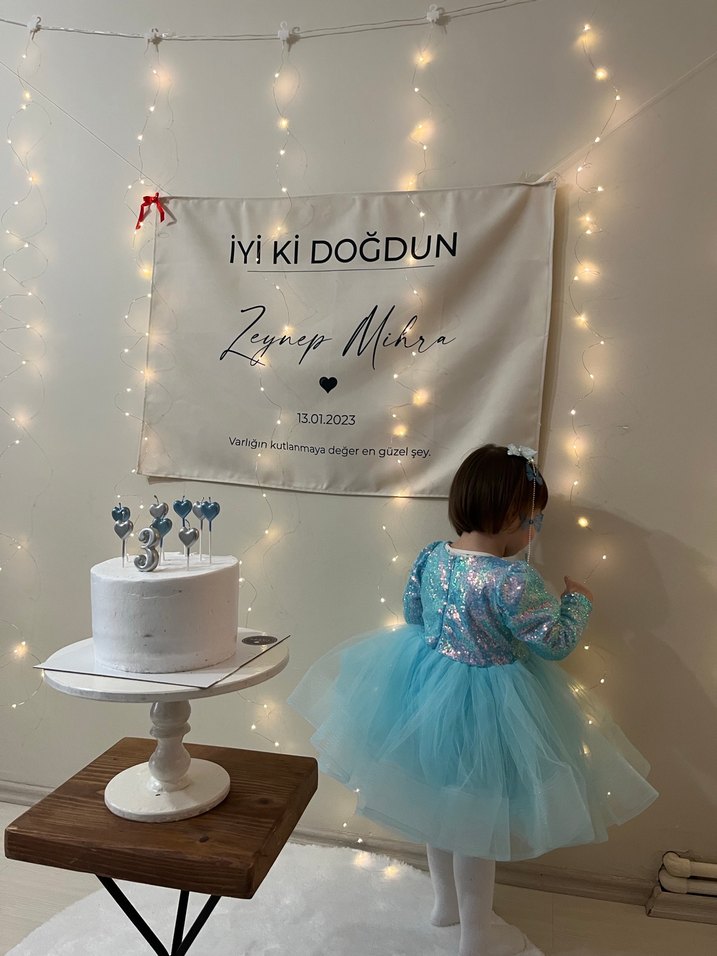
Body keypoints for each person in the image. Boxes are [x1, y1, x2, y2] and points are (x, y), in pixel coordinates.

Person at [288, 443, 658, 956]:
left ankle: (446, 907)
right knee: (475, 825)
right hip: (491, 709)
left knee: (440, 808)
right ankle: (477, 936)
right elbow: (554, 644)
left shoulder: (432, 556)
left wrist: (448, 640)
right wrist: (577, 603)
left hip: (422, 691)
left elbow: (413, 614)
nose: (534, 533)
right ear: (510, 516)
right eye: (535, 520)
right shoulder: (514, 579)